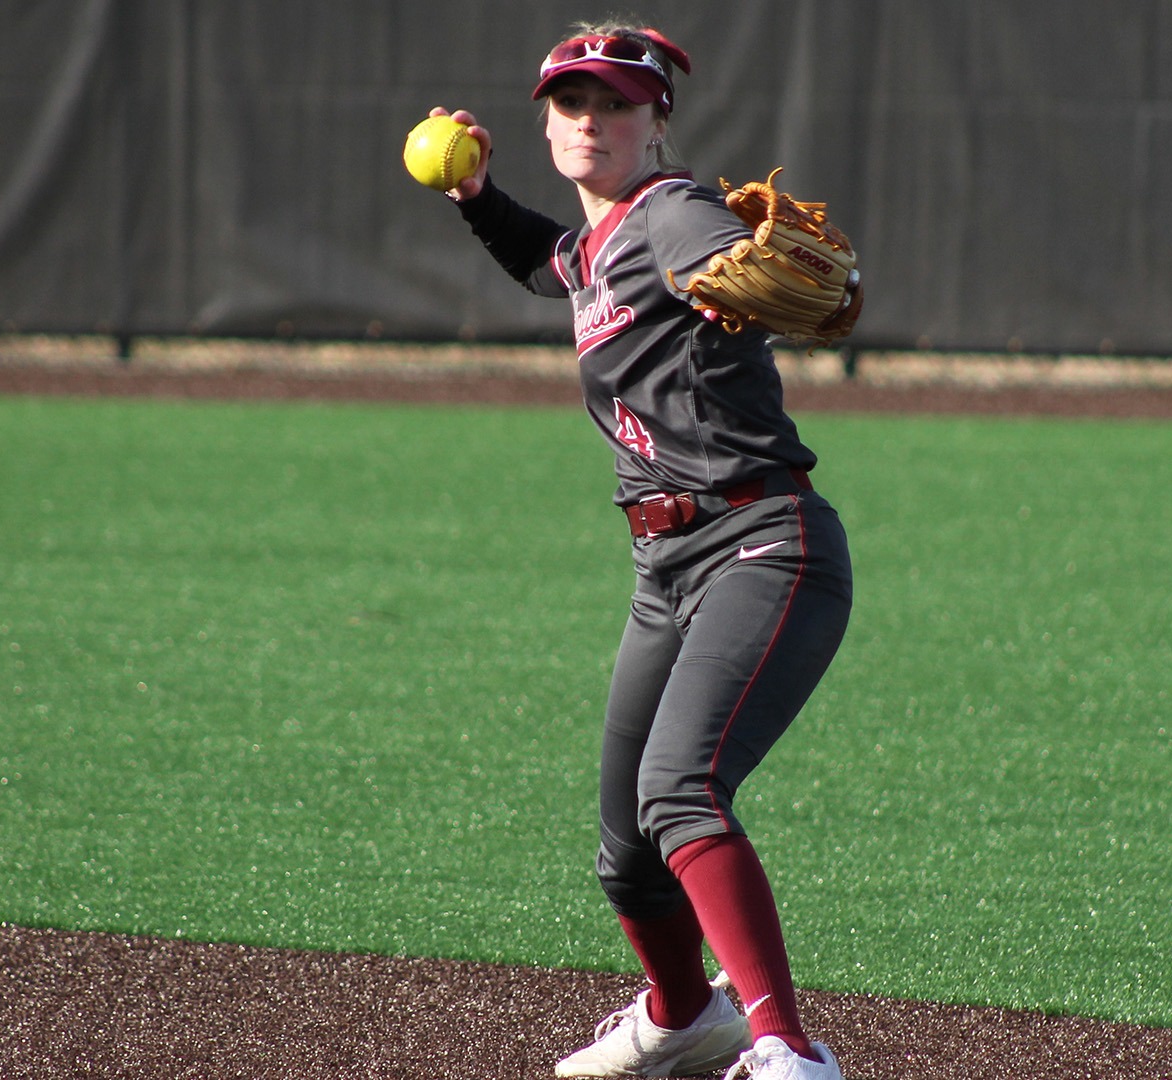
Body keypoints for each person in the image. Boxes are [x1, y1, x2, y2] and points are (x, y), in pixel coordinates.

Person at [423, 21, 855, 1080]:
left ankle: (788, 1051)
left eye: (617, 102)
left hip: (761, 542)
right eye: (573, 102)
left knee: (681, 793)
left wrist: (720, 272)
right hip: (665, 571)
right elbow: (550, 261)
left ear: (659, 118)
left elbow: (703, 251)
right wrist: (476, 199)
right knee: (626, 847)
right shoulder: (600, 238)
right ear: (547, 118)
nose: (592, 120)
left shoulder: (672, 213)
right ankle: (680, 1017)